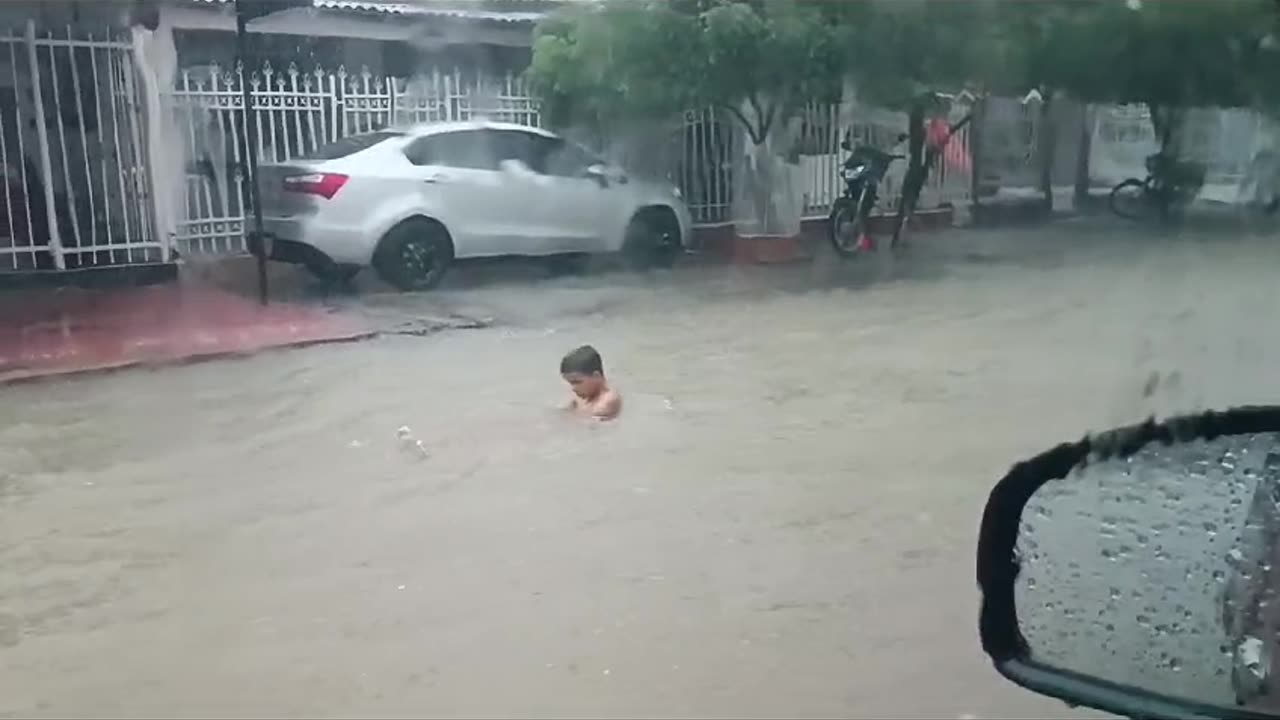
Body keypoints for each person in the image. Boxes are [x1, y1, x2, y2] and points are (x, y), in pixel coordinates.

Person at [559, 345, 622, 420]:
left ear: (596, 376)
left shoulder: (607, 401)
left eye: (577, 382)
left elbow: (587, 426)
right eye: (570, 383)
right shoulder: (584, 393)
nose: (573, 388)